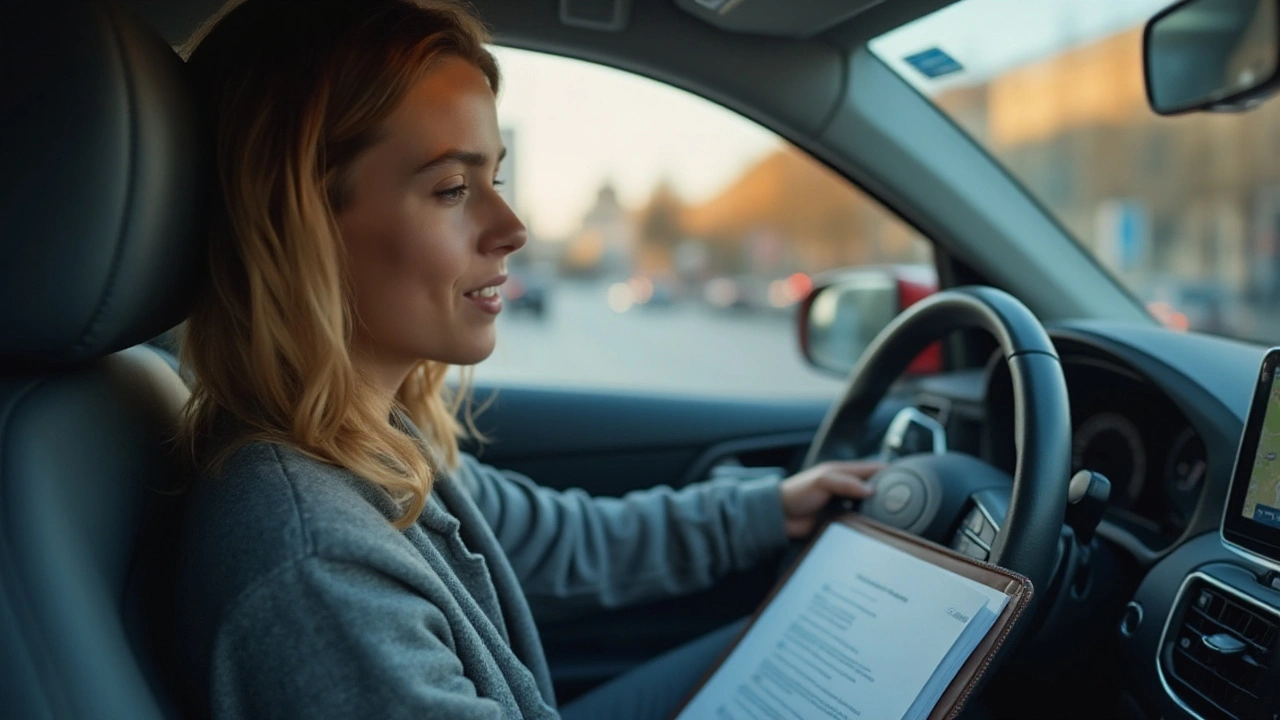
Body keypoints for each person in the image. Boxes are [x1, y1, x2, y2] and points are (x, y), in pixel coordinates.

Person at [173, 1, 879, 718]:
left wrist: (771, 508)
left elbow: (562, 541)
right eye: (452, 188)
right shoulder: (317, 566)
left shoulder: (368, 441)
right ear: (296, 224)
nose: (512, 229)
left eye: (495, 182)